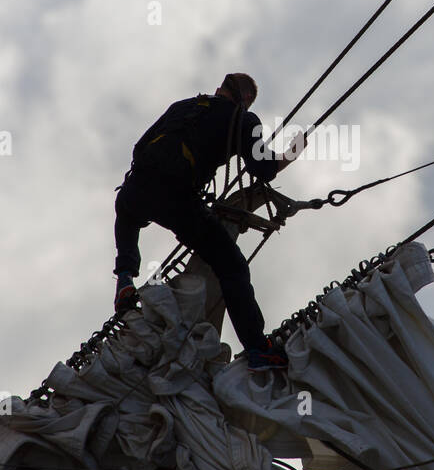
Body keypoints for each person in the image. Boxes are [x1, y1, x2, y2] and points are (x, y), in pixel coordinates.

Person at [112, 72, 301, 371]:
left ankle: (125, 277)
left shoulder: (183, 106)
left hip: (137, 188)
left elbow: (139, 147)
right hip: (177, 199)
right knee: (232, 266)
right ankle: (257, 348)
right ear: (246, 101)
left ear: (220, 88)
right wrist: (291, 153)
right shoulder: (243, 119)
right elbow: (262, 169)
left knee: (127, 213)